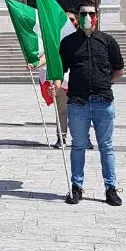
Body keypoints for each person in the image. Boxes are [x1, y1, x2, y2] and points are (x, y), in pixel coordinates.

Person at [58, 0, 124, 207]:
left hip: (103, 101)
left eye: (91, 14)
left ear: (97, 16)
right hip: (77, 103)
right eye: (83, 14)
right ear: (78, 18)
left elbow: (118, 70)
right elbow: (60, 71)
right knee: (77, 146)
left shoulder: (108, 41)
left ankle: (111, 188)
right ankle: (76, 187)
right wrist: (55, 84)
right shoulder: (68, 43)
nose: (88, 18)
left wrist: (102, 83)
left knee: (106, 146)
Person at [51, 11, 77, 149]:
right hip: (61, 80)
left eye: (71, 19)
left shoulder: (82, 39)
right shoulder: (55, 39)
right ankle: (61, 137)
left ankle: (85, 138)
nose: (68, 22)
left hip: (79, 81)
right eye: (65, 20)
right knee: (61, 110)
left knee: (82, 111)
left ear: (76, 21)